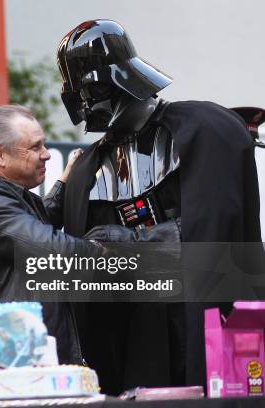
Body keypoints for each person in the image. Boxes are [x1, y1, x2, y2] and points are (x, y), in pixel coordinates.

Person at [56, 20, 261, 394]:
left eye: (92, 91)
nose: (87, 107)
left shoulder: (203, 129)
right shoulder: (88, 166)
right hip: (133, 328)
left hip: (199, 311)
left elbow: (216, 228)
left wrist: (135, 240)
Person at [0, 104, 99, 365]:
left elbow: (39, 219)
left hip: (27, 364)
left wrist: (65, 183)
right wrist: (113, 243)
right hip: (12, 370)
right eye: (35, 147)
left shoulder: (6, 193)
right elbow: (52, 250)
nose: (47, 155)